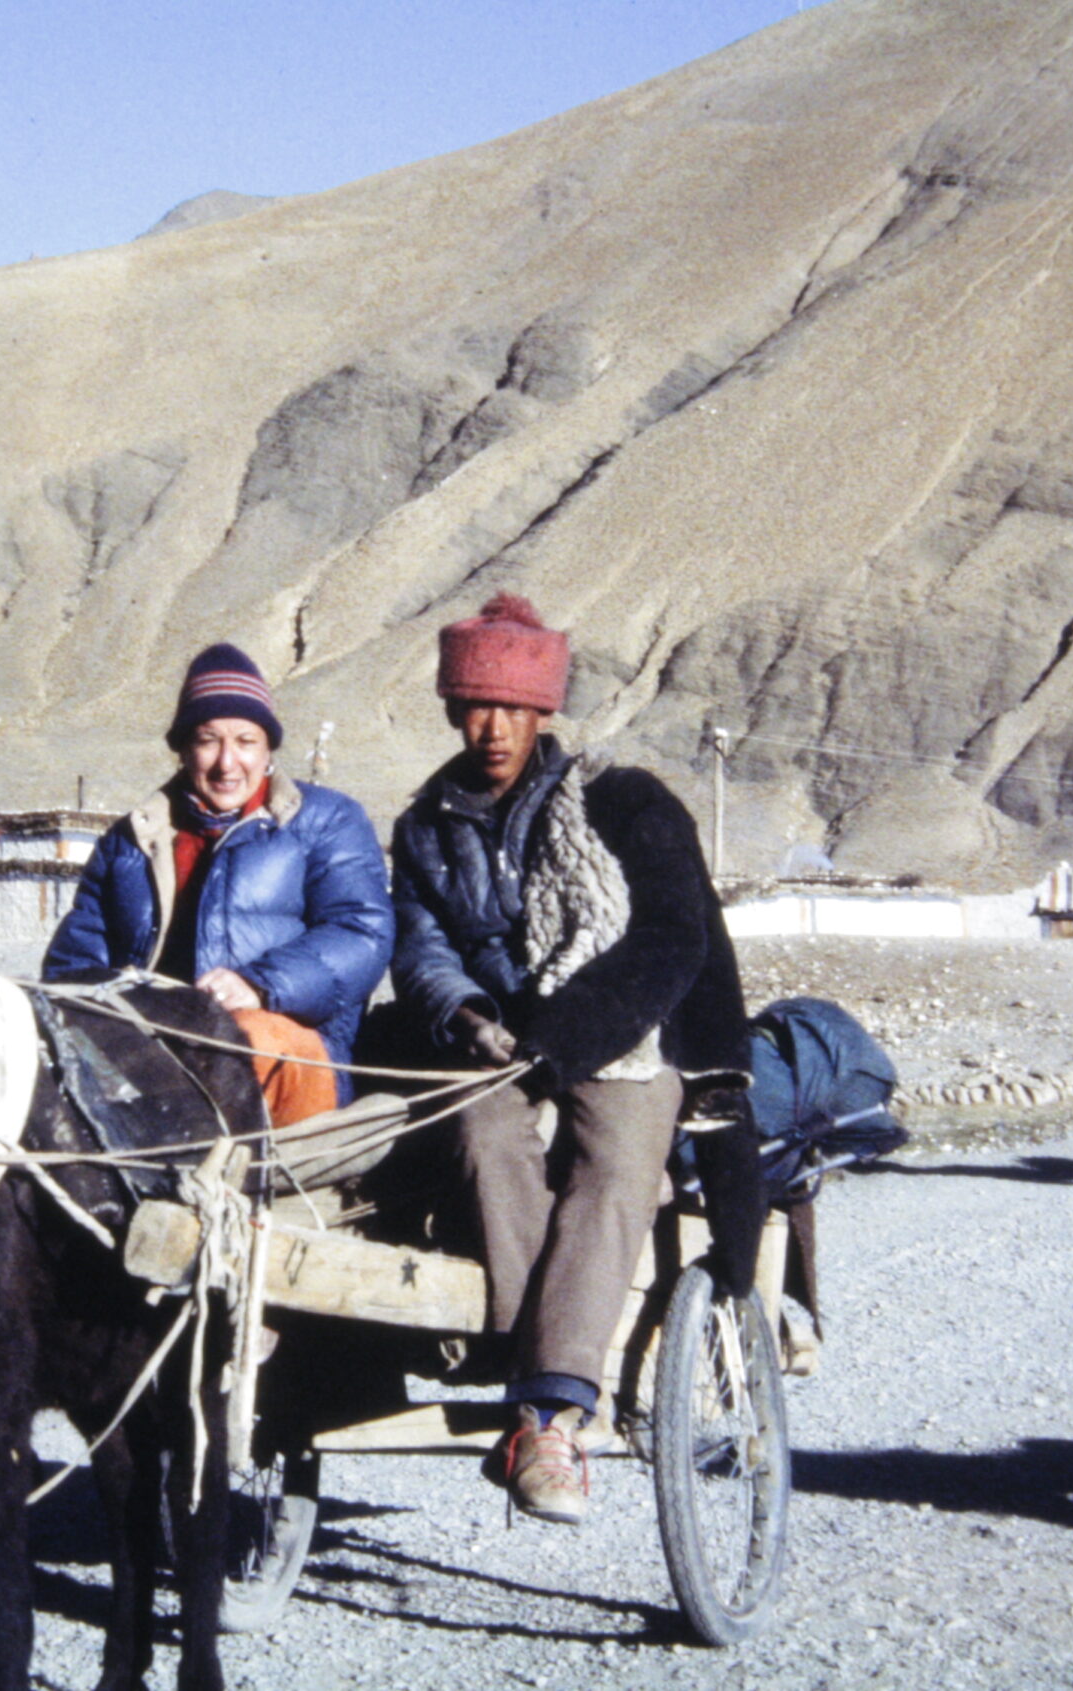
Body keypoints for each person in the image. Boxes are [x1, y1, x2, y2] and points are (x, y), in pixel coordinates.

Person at [388, 593, 760, 1524]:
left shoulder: (617, 801)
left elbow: (675, 939)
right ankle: (529, 1354)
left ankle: (549, 1413)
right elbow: (420, 945)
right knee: (475, 1128)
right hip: (499, 1041)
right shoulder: (426, 826)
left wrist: (569, 1034)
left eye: (513, 708)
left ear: (545, 711)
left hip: (619, 1033)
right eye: (476, 706)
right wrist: (468, 1014)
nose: (493, 727)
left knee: (619, 1162)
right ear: (450, 709)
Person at [43, 643, 393, 1121]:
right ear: (184, 749)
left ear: (268, 748)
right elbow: (73, 965)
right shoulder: (131, 843)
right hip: (153, 1048)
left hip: (291, 1046)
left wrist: (260, 985)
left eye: (246, 741)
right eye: (208, 740)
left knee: (244, 1041)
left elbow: (361, 933)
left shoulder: (328, 822)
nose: (227, 763)